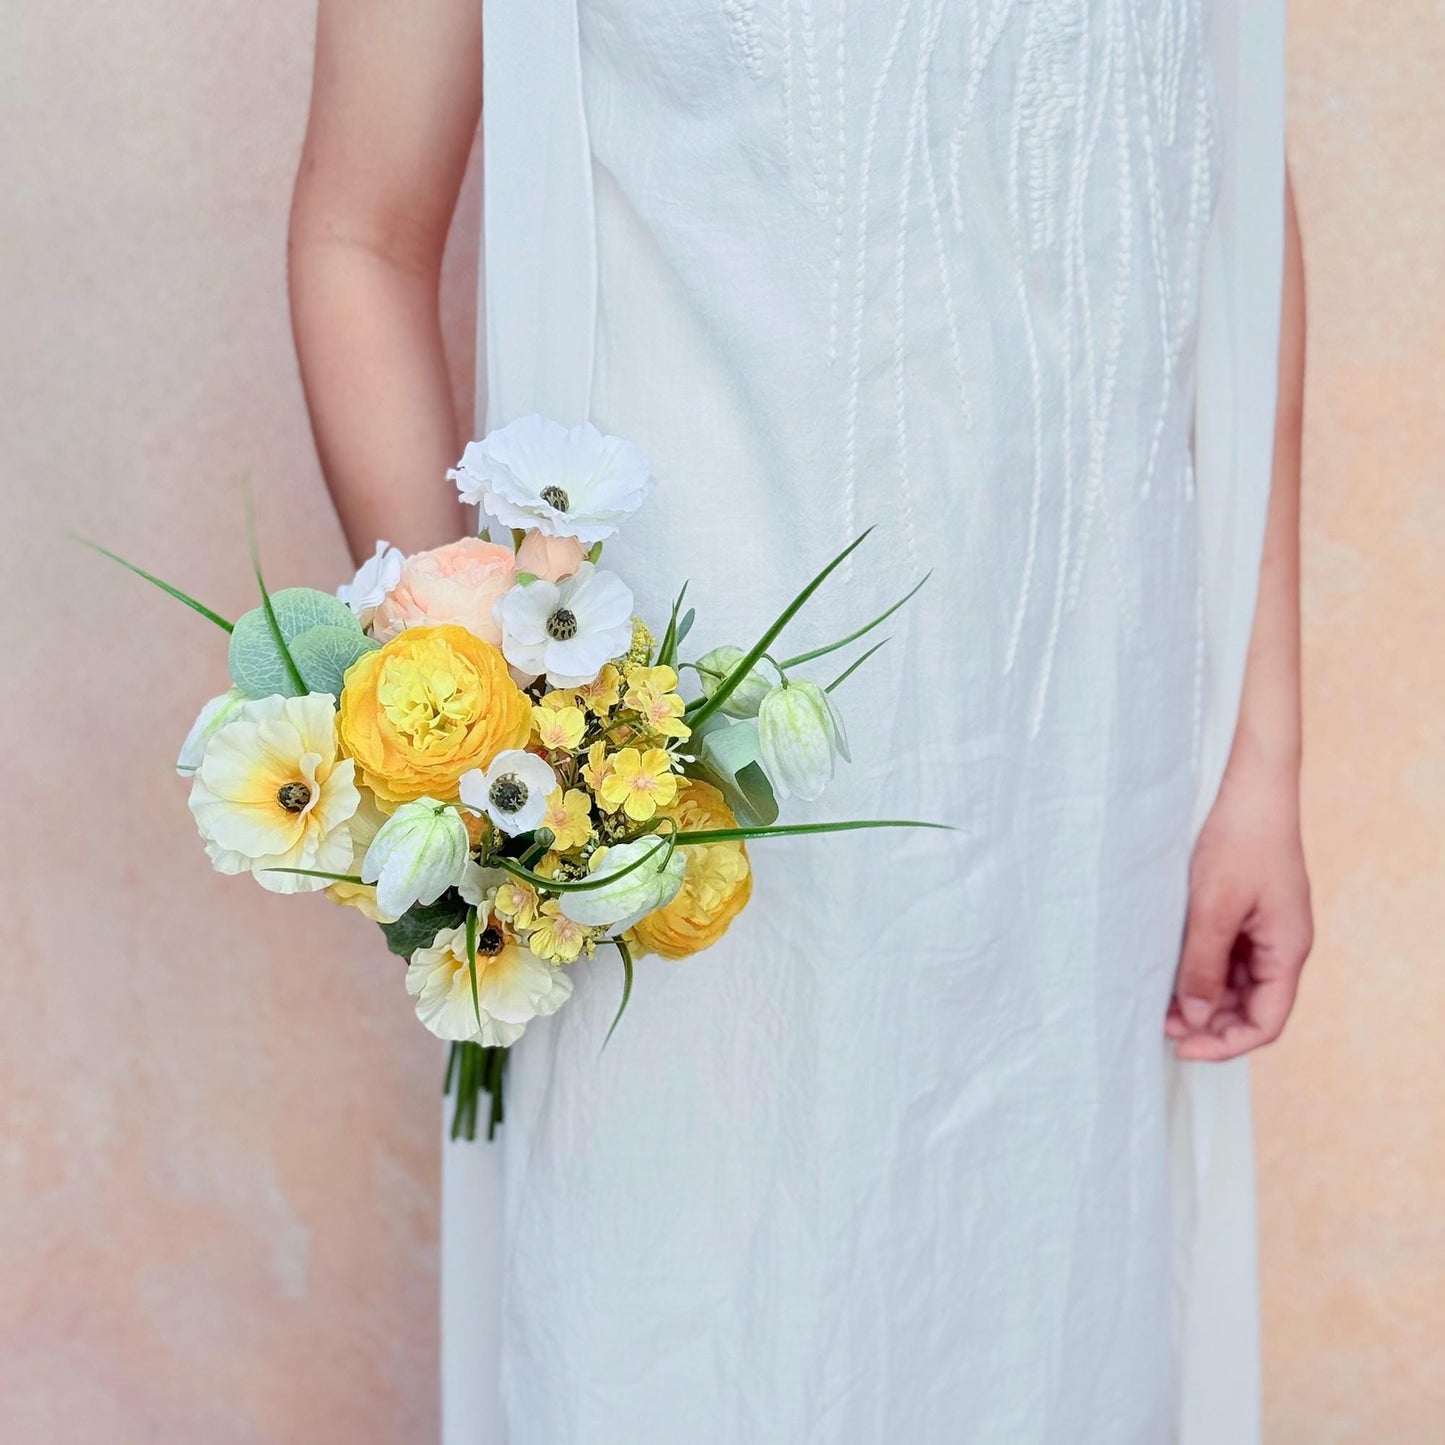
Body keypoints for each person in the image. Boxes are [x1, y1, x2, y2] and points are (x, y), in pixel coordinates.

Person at [289, 3, 1310, 1441]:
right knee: (694, 1348)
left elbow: (1224, 193)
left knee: (1049, 1342)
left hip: (1083, 821)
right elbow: (362, 234)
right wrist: (467, 723)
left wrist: (1258, 757)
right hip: (693, 834)